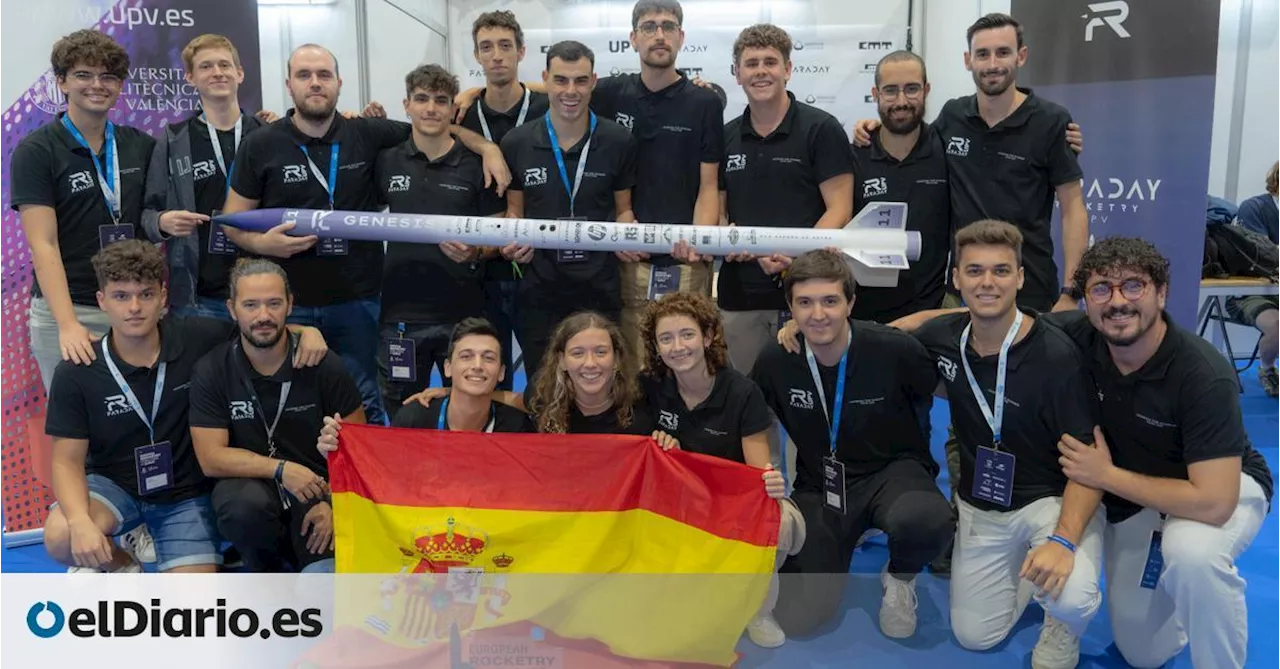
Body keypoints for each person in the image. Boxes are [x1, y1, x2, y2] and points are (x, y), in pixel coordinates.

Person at [220, 43, 509, 426]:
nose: (315, 83)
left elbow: (437, 127)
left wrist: (488, 147)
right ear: (289, 84)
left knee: (366, 403)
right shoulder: (262, 143)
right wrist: (262, 243)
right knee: (290, 401)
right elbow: (232, 220)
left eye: (323, 75)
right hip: (289, 303)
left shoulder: (369, 135)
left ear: (339, 83)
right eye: (305, 75)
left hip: (359, 302)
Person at [1049, 238, 1272, 669]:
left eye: (1134, 286)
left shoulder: (1203, 374)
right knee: (1144, 654)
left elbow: (1214, 502)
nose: (1117, 302)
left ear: (1161, 292)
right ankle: (1171, 592)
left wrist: (1105, 475)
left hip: (1218, 488)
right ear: (1088, 301)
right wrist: (903, 327)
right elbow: (998, 322)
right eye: (1102, 289)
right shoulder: (1077, 336)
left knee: (1192, 553)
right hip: (1141, 501)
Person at [900, 221, 1104, 668]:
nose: (987, 282)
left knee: (1071, 596)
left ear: (1020, 278)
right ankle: (1030, 573)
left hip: (1048, 501)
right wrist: (798, 329)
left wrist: (1064, 543)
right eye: (974, 271)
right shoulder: (942, 338)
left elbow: (1090, 465)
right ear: (956, 278)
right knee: (975, 638)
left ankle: (1061, 623)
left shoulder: (1056, 355)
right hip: (982, 505)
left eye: (1000, 271)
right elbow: (871, 340)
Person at [749, 249, 952, 639]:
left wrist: (910, 322)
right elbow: (750, 418)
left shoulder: (892, 348)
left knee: (926, 522)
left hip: (893, 473)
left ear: (851, 303)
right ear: (790, 307)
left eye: (830, 301)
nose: (818, 314)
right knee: (797, 618)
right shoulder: (778, 358)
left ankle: (899, 578)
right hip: (823, 483)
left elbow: (966, 329)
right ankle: (846, 536)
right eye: (804, 303)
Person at [855, 13, 1088, 315]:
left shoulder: (1052, 122)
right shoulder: (953, 116)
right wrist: (873, 127)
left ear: (1021, 56)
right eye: (982, 54)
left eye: (1002, 52)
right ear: (968, 60)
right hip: (961, 290)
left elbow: (1073, 209)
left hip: (1028, 287)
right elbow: (909, 133)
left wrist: (1071, 291)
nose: (992, 64)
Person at [637, 292, 804, 648]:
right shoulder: (651, 386)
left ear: (708, 336)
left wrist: (771, 483)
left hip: (730, 500)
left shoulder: (742, 393)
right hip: (677, 501)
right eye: (665, 338)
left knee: (779, 522)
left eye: (687, 335)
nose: (677, 347)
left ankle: (760, 609)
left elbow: (757, 473)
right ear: (655, 346)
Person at [189, 259, 364, 573]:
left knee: (322, 601)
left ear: (290, 304)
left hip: (317, 493)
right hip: (252, 488)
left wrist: (337, 507)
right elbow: (211, 457)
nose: (263, 316)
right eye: (251, 305)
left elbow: (359, 448)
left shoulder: (323, 364)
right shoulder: (212, 369)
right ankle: (266, 568)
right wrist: (282, 469)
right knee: (242, 508)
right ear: (231, 309)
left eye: (273, 303)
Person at [12, 30, 156, 390]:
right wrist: (67, 324)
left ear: (120, 85)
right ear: (61, 82)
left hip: (134, 309)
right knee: (77, 430)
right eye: (82, 74)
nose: (97, 85)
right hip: (71, 309)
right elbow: (43, 244)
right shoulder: (37, 150)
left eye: (108, 76)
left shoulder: (140, 145)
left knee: (139, 423)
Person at [715, 24, 854, 377]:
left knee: (807, 406)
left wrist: (795, 255)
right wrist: (727, 239)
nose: (761, 71)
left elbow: (839, 209)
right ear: (737, 74)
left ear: (788, 70)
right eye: (751, 63)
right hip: (740, 297)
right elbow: (718, 213)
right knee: (751, 403)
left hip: (810, 296)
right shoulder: (724, 137)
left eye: (770, 62)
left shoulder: (821, 129)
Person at [498, 41, 639, 382]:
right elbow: (514, 212)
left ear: (593, 81)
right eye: (561, 80)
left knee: (599, 388)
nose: (570, 91)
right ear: (546, 79)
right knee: (542, 389)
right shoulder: (517, 142)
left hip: (599, 289)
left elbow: (624, 210)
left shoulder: (618, 140)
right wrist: (511, 240)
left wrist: (628, 232)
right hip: (539, 289)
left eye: (580, 81)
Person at [373, 64, 492, 421]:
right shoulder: (385, 161)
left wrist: (477, 250)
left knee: (467, 411)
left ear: (454, 109)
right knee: (403, 415)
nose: (430, 108)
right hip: (400, 317)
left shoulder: (474, 164)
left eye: (440, 101)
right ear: (406, 105)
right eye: (422, 99)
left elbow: (500, 229)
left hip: (462, 315)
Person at [141, 34, 269, 321]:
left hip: (263, 293)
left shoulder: (269, 135)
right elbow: (147, 214)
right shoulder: (173, 140)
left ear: (240, 73)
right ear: (190, 78)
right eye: (206, 66)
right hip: (197, 298)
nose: (217, 72)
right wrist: (162, 222)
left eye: (225, 65)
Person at [459, 10, 550, 391]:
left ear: (521, 52)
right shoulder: (462, 114)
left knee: (544, 374)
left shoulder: (549, 108)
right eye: (486, 47)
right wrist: (484, 145)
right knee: (486, 377)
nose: (496, 55)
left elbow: (578, 89)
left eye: (505, 46)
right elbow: (427, 125)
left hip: (538, 264)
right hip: (482, 269)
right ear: (477, 56)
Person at [317, 318, 534, 457]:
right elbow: (380, 472)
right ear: (448, 368)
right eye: (466, 356)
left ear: (503, 372)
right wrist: (339, 451)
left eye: (488, 358)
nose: (477, 366)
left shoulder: (517, 429)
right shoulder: (414, 420)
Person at [847, 50, 950, 324]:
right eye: (891, 91)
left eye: (912, 89)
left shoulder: (946, 151)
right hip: (862, 317)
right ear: (875, 93)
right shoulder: (852, 157)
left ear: (926, 90)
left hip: (930, 316)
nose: (901, 101)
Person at [1227, 159, 1280, 396]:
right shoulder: (1254, 208)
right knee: (1278, 325)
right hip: (1251, 294)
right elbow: (1264, 257)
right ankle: (1267, 369)